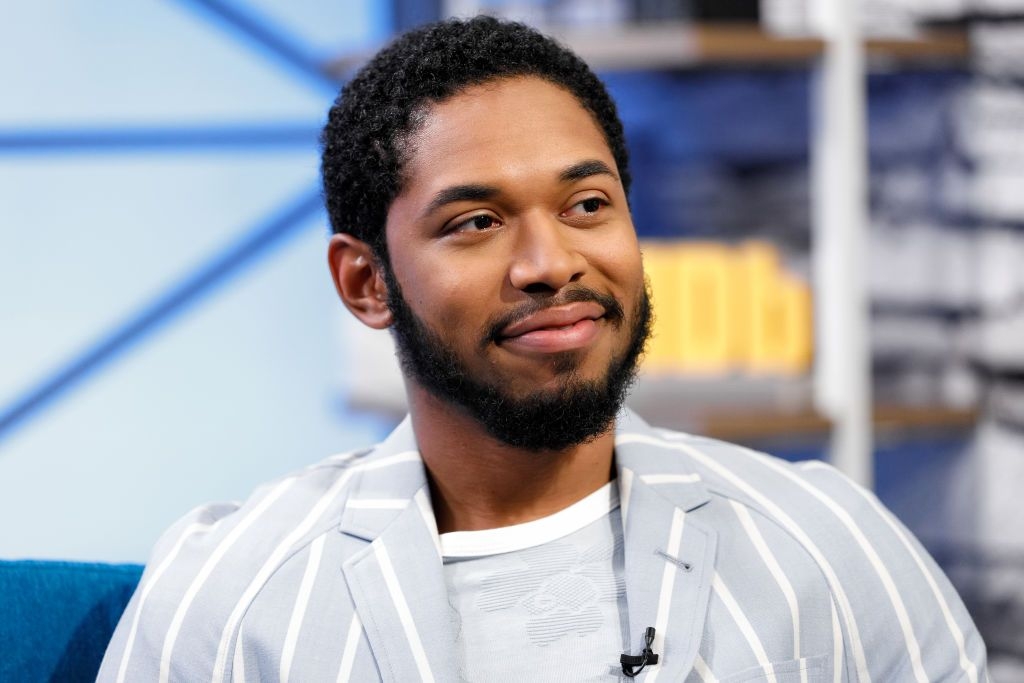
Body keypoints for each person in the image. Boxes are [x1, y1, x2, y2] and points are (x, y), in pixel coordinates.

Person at [99, 15, 988, 682]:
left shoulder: (829, 544)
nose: (550, 262)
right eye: (476, 222)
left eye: (587, 205)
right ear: (367, 282)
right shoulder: (232, 597)